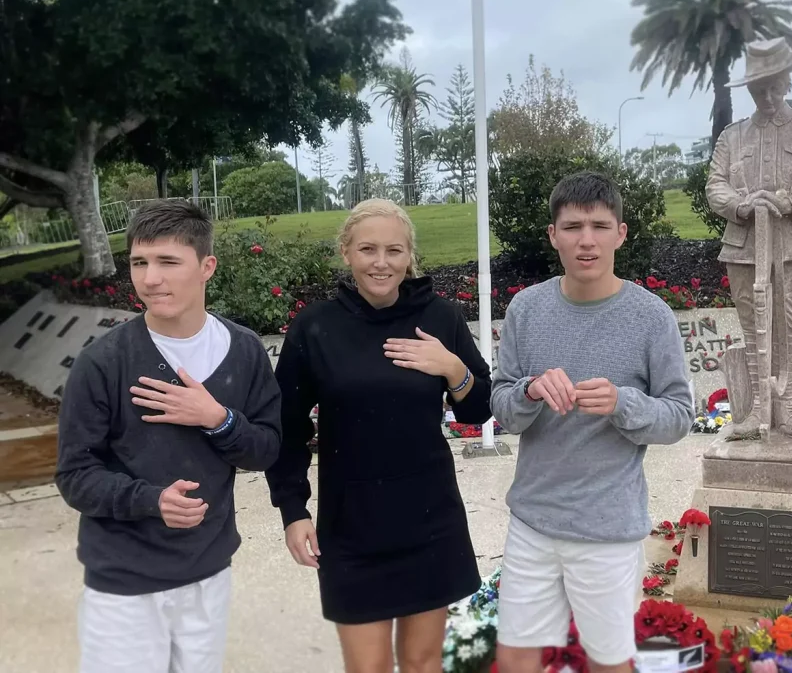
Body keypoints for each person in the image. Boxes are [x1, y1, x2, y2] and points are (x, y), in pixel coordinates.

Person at [54, 201, 283, 673]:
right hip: (123, 584)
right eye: (139, 262)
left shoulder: (242, 351)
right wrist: (150, 500)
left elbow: (266, 449)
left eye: (168, 262)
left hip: (208, 572)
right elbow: (75, 475)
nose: (150, 278)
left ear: (206, 267)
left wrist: (217, 418)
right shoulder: (103, 363)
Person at [265, 198, 493, 673]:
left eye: (394, 250)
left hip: (431, 521)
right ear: (346, 252)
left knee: (421, 662)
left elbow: (478, 406)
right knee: (367, 667)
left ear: (410, 256)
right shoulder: (316, 327)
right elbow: (286, 425)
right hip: (351, 528)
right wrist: (292, 509)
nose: (381, 262)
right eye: (368, 249)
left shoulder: (441, 318)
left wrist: (453, 369)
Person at [490, 171, 695, 673]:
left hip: (607, 530)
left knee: (608, 662)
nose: (587, 240)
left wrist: (623, 403)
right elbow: (501, 406)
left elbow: (680, 416)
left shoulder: (651, 317)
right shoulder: (526, 309)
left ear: (621, 234)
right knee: (516, 658)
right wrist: (531, 390)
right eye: (573, 226)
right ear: (552, 235)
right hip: (532, 521)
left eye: (600, 226)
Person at [705, 37, 792, 440]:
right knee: (755, 329)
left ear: (787, 83)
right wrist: (743, 207)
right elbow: (716, 186)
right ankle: (759, 407)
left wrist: (788, 202)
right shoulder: (732, 137)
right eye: (757, 88)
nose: (766, 95)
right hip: (746, 249)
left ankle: (787, 404)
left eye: (774, 86)